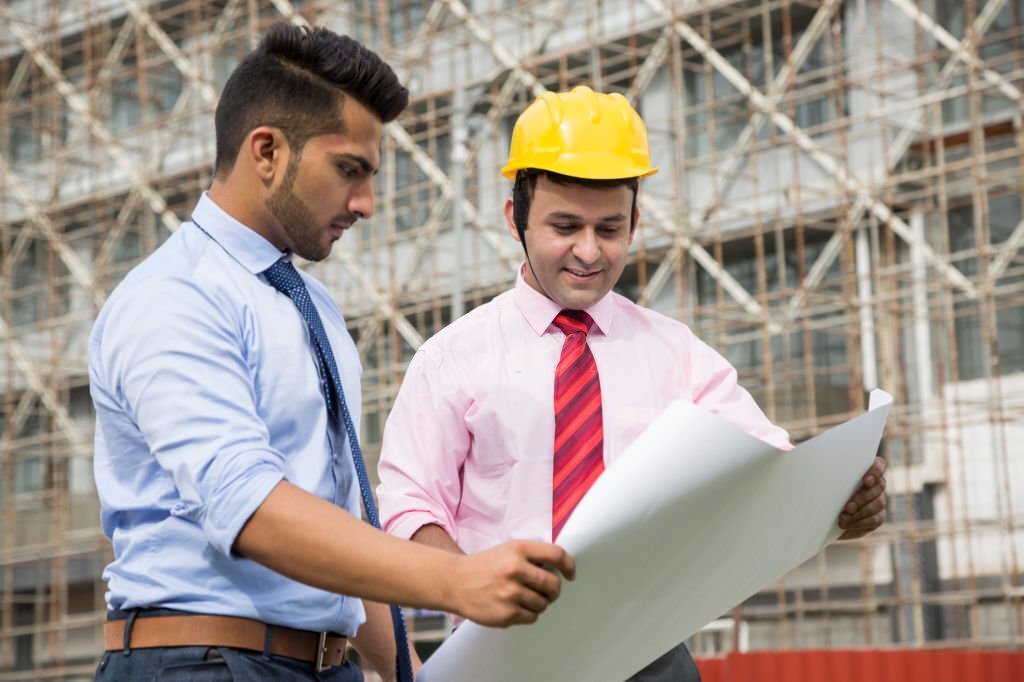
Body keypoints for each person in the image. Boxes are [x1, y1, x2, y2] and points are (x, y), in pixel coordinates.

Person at [88, 23, 574, 682]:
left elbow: (343, 524)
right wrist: (456, 581)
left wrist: (409, 673)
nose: (367, 204)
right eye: (350, 170)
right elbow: (250, 506)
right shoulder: (173, 297)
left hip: (321, 663)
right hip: (200, 663)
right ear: (267, 151)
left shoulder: (312, 308)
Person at [376, 86, 887, 680]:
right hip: (508, 655)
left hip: (651, 652)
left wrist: (839, 502)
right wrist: (470, 586)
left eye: (610, 229)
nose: (589, 251)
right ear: (514, 217)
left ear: (636, 222)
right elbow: (409, 506)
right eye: (564, 225)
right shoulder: (451, 360)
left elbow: (767, 468)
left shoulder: (676, 354)